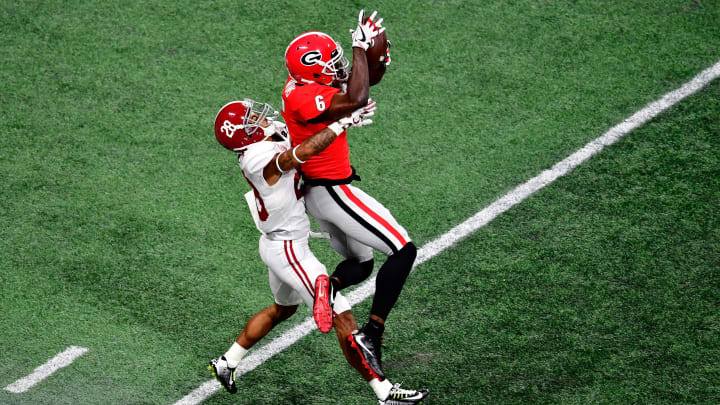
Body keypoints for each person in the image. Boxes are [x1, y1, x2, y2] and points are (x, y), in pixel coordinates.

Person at [208, 98, 427, 404]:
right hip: (290, 250)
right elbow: (301, 153)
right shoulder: (256, 158)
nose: (259, 116)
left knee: (283, 309)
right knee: (343, 318)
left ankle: (227, 362)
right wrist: (341, 123)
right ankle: (384, 391)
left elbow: (305, 133)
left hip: (276, 244)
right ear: (244, 135)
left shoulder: (266, 138)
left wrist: (338, 119)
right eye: (251, 119)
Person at [281, 9, 428, 403]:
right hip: (331, 192)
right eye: (329, 65)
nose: (338, 68)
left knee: (361, 265)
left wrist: (370, 57)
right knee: (404, 249)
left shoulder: (305, 87)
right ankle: (371, 333)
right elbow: (357, 96)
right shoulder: (300, 94)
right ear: (311, 71)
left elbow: (361, 85)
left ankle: (325, 288)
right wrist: (361, 47)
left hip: (326, 191)